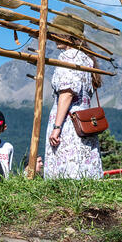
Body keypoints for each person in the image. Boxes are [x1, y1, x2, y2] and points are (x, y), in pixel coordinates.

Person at [44, 16, 102, 180]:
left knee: (67, 166)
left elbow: (67, 93)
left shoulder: (68, 57)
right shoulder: (87, 58)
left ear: (67, 36)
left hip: (69, 122)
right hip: (84, 121)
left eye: (57, 34)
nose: (54, 37)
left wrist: (57, 127)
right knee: (83, 165)